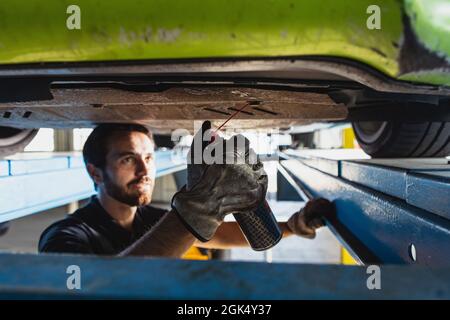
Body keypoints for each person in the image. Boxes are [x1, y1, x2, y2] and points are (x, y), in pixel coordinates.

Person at [38, 123, 334, 257]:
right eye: (128, 159)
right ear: (94, 171)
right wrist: (201, 207)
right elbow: (92, 290)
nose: (144, 171)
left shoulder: (151, 219)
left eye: (149, 158)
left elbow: (219, 234)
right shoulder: (65, 235)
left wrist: (294, 226)